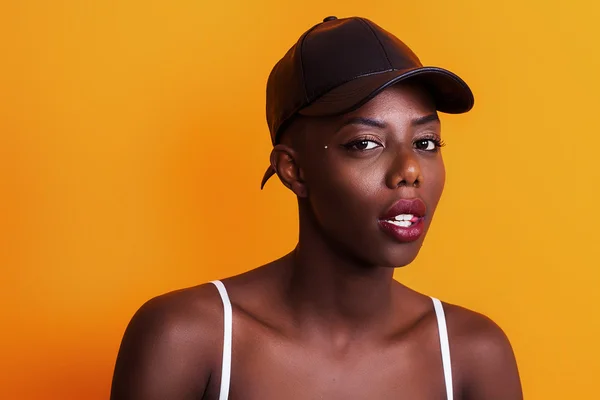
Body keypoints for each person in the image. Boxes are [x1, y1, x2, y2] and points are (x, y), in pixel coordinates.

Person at [110, 16, 522, 400]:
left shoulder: (472, 354)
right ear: (294, 169)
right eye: (365, 143)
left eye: (426, 143)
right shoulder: (187, 338)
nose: (410, 171)